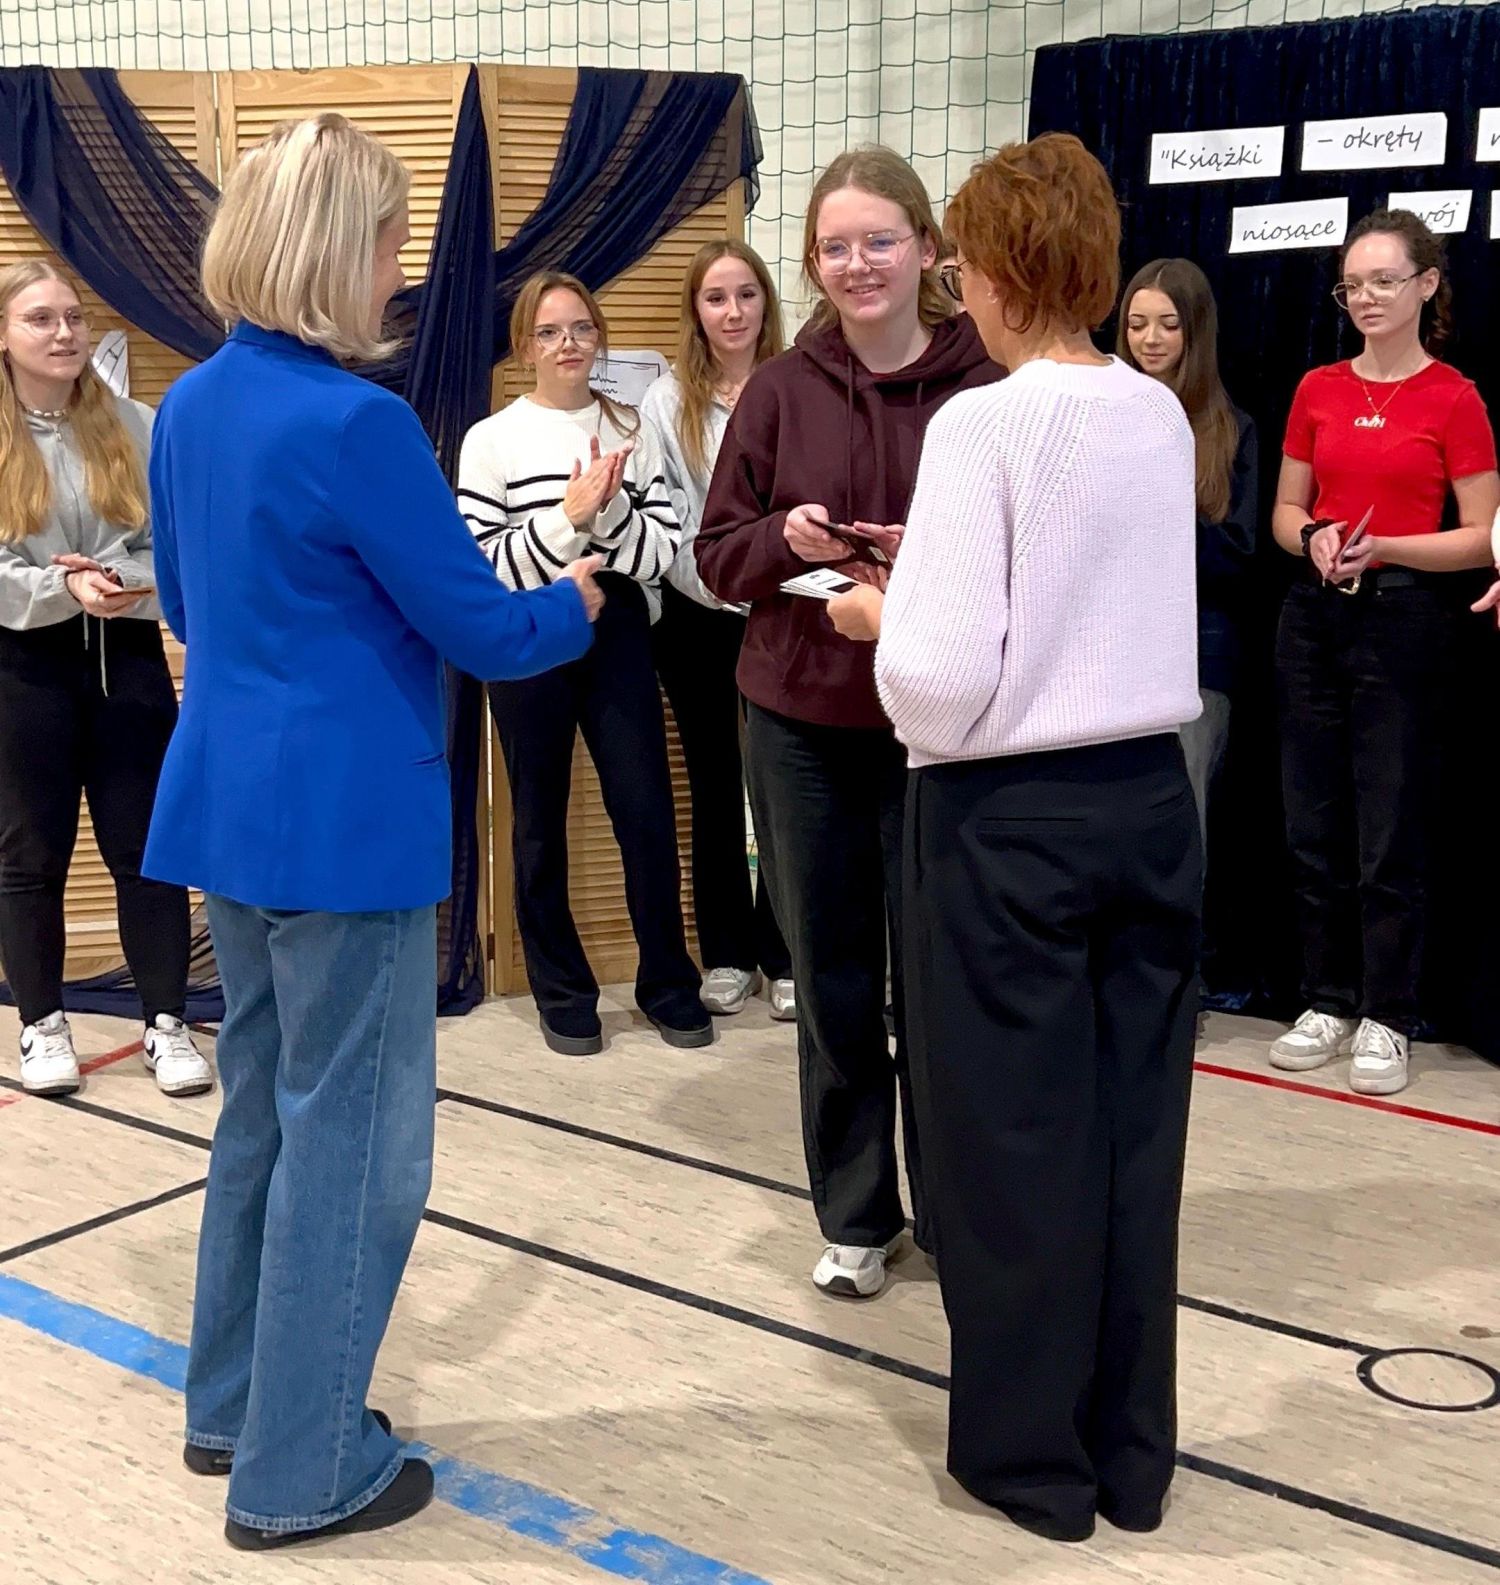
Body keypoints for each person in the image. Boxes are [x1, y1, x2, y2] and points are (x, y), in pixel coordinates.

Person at [145, 114, 599, 1549]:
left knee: (263, 1118)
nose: (403, 268)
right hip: (346, 825)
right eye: (392, 239)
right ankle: (303, 1465)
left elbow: (182, 603)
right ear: (337, 249)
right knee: (356, 1147)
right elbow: (483, 630)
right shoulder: (359, 423)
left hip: (229, 809)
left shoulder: (189, 405)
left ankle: (235, 1407)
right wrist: (574, 602)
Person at [829, 133, 1201, 1542]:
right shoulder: (1155, 413)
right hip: (1150, 802)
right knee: (1132, 1139)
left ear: (994, 272)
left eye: (961, 267)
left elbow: (935, 681)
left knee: (1009, 1148)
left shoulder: (981, 425)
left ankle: (1032, 1462)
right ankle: (1129, 1453)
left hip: (1009, 823)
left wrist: (879, 616)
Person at [696, 146, 1002, 1299]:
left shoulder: (986, 385)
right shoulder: (780, 390)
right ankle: (859, 1213)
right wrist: (785, 539)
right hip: (801, 728)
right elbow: (717, 557)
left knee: (942, 985)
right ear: (813, 263)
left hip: (943, 733)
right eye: (835, 246)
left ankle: (962, 1221)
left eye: (879, 240)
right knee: (831, 980)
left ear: (926, 248)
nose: (858, 263)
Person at [1269, 208, 1499, 1095]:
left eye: (1383, 281)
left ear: (1426, 285)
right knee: (1312, 819)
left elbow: (1481, 537)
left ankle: (1388, 1013)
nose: (1365, 297)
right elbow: (1286, 511)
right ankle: (1325, 997)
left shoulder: (1454, 397)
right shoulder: (1318, 387)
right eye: (1351, 285)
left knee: (1390, 823)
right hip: (1314, 614)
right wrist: (1315, 537)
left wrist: (1389, 548)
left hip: (1405, 618)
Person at [459, 272, 710, 1057]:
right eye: (548, 331)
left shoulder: (631, 428)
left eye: (580, 328)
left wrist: (612, 508)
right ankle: (561, 992)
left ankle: (668, 983)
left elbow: (662, 551)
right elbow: (484, 564)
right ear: (523, 346)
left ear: (598, 336)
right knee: (538, 817)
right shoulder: (490, 439)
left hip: (619, 626)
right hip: (529, 631)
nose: (567, 344)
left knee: (645, 809)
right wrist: (569, 521)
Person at [0, 260, 210, 1099]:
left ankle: (166, 1022)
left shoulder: (137, 424)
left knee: (145, 848)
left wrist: (126, 582)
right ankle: (41, 1022)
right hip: (23, 667)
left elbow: (177, 546)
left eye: (73, 317)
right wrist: (61, 589)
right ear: (4, 335)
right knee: (29, 853)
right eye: (40, 319)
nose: (64, 333)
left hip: (125, 658)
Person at [639, 240, 795, 1021]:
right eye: (716, 298)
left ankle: (786, 952)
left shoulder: (799, 383)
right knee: (712, 783)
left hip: (786, 611)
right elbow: (665, 517)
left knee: (783, 786)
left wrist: (768, 582)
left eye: (746, 295)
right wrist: (721, 584)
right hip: (698, 614)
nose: (733, 312)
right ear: (695, 312)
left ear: (766, 302)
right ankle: (728, 953)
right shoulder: (666, 402)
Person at [1119, 258, 1257, 843]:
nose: (1150, 339)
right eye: (1136, 324)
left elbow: (1237, 555)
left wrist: (1161, 512)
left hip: (1197, 657)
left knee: (1182, 826)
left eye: (1168, 324)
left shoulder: (1232, 430)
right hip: (1109, 654)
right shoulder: (1103, 414)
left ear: (1195, 330)